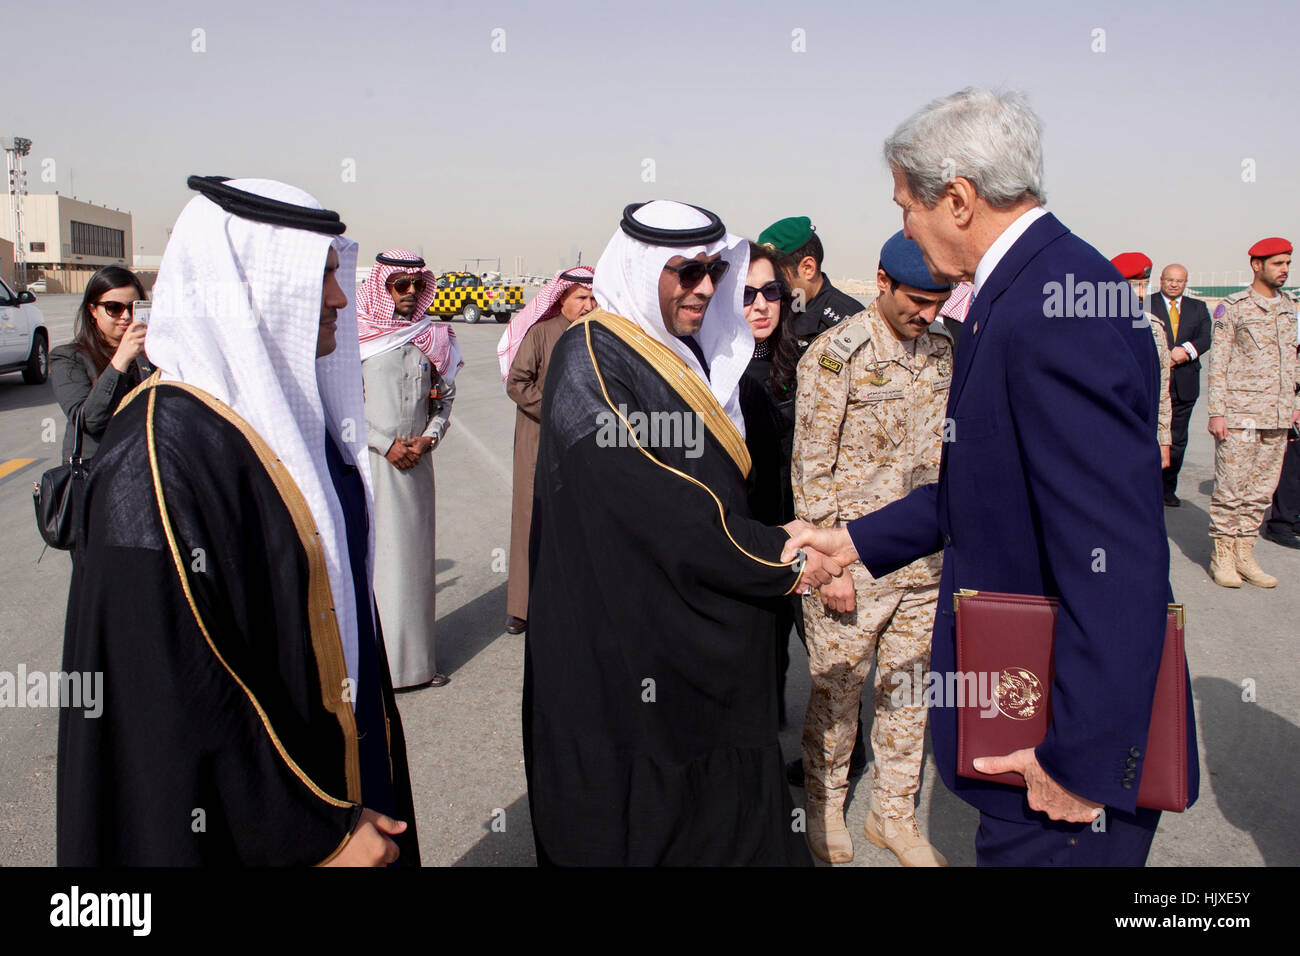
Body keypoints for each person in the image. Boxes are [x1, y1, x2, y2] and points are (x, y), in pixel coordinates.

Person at [785, 88, 1198, 866]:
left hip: (1057, 756)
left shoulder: (1052, 309)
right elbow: (991, 488)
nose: (904, 222)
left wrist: (1083, 762)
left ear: (960, 199)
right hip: (1034, 713)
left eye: (907, 204)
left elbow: (1114, 553)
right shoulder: (1033, 287)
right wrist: (852, 540)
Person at [58, 176, 420, 866]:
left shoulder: (285, 425)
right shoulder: (157, 458)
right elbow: (177, 698)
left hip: (346, 768)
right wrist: (319, 833)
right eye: (321, 278)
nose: (340, 298)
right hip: (277, 827)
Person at [522, 200, 841, 866]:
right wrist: (772, 553)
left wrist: (775, 535)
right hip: (636, 633)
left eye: (712, 272)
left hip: (699, 616)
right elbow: (650, 495)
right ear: (642, 272)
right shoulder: (592, 357)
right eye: (686, 273)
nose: (704, 289)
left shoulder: (682, 351)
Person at [793, 231, 952, 866]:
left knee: (909, 692)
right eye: (917, 299)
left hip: (925, 563)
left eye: (939, 301)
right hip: (850, 564)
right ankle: (825, 805)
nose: (928, 313)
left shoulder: (943, 349)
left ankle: (893, 814)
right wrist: (828, 566)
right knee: (837, 693)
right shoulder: (836, 356)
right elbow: (810, 469)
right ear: (882, 281)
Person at [357, 249, 462, 688]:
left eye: (417, 285)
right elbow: (339, 406)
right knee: (380, 564)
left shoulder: (431, 338)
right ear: (383, 287)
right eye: (401, 285)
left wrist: (428, 438)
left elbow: (445, 399)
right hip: (373, 467)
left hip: (418, 466)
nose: (411, 293)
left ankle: (418, 665)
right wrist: (384, 445)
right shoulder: (354, 340)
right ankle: (379, 669)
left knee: (416, 563)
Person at [501, 265, 596, 635]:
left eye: (592, 297)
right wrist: (558, 410)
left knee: (576, 520)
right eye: (580, 298)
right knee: (530, 517)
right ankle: (520, 607)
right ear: (561, 299)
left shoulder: (596, 334)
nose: (588, 305)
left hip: (584, 444)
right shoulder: (541, 334)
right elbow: (517, 383)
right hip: (538, 441)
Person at [1206, 237, 1299, 587]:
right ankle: (1223, 556)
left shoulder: (1290, 307)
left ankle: (1245, 554)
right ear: (1256, 265)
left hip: (1277, 415)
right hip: (1240, 414)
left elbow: (1294, 358)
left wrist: (1295, 404)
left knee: (1261, 491)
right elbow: (1219, 363)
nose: (1285, 270)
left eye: (1288, 263)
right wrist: (1217, 413)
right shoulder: (1234, 307)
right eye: (1278, 263)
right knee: (1231, 489)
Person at [736, 241, 801, 728]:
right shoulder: (715, 374)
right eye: (747, 293)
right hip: (744, 539)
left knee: (814, 649)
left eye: (771, 291)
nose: (761, 305)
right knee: (751, 655)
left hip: (801, 536)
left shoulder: (804, 363)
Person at [48, 266, 150, 465]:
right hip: (98, 473)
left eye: (132, 307)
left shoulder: (151, 354)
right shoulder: (68, 358)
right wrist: (121, 359)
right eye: (114, 308)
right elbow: (90, 420)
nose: (126, 317)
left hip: (145, 467)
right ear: (93, 310)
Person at [1148, 264, 1213, 507]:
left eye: (1180, 280)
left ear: (1185, 283)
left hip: (1184, 382)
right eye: (1170, 279)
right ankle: (1149, 486)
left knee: (1177, 439)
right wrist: (1166, 355)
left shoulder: (1198, 308)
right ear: (1162, 280)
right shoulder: (1147, 305)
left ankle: (1167, 488)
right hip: (1156, 381)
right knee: (1152, 435)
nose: (1174, 284)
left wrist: (1185, 352)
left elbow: (1205, 337)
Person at [757, 216, 864, 355]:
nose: (771, 284)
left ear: (808, 268)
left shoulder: (850, 324)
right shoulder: (770, 309)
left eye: (778, 275)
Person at [1111, 252, 1173, 469]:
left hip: (1143, 430)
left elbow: (1162, 387)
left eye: (1144, 285)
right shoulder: (1094, 326)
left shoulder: (1154, 327)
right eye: (1134, 285)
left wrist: (1163, 440)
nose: (1141, 293)